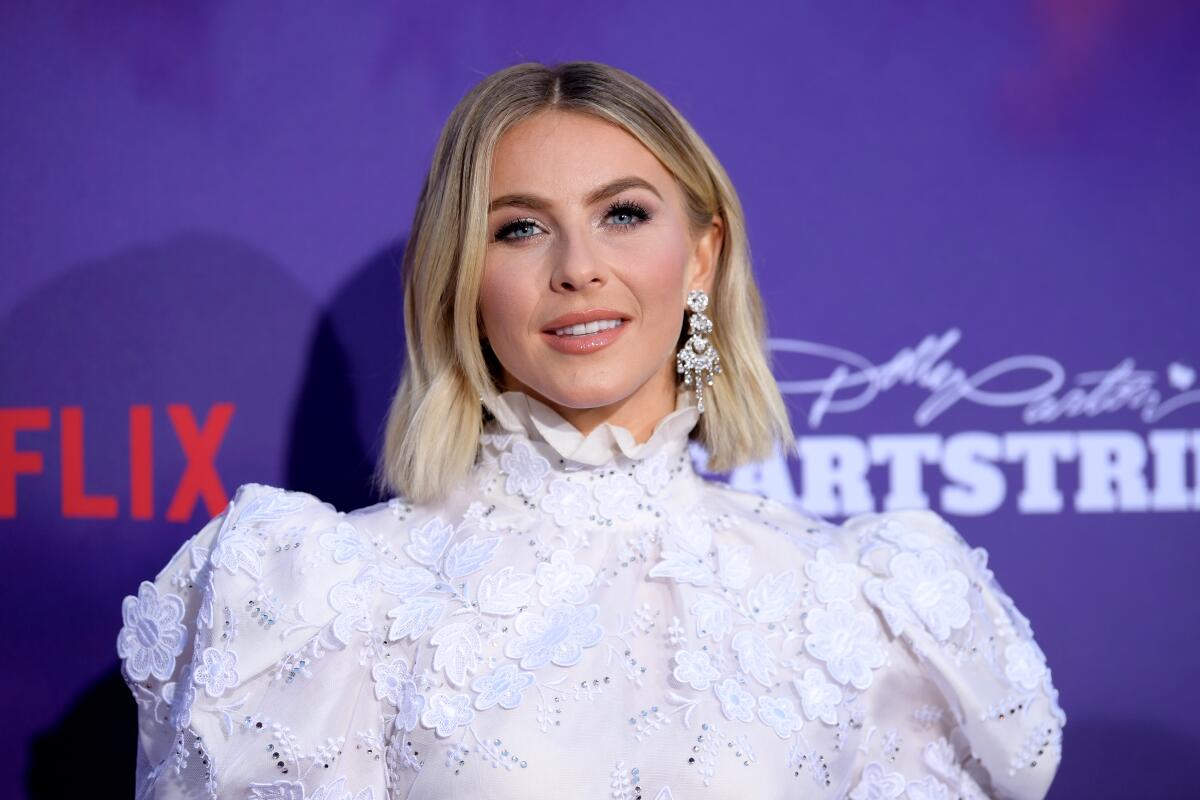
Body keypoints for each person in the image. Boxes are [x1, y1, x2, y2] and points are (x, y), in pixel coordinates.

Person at [117, 61, 1064, 799]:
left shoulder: (855, 601)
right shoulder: (333, 599)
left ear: (701, 255)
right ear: (460, 276)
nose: (579, 267)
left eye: (622, 214)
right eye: (520, 228)